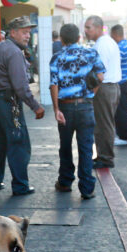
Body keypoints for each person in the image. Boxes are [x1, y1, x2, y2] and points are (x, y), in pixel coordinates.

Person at [0, 16, 46, 195]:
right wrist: (35, 106)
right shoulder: (14, 52)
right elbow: (20, 86)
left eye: (29, 32)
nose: (28, 36)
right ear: (13, 33)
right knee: (19, 143)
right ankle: (20, 186)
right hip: (9, 102)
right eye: (24, 32)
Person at [49, 23, 105, 200]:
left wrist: (57, 109)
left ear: (62, 40)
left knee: (65, 146)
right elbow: (101, 76)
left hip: (65, 106)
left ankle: (65, 182)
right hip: (85, 106)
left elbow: (54, 84)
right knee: (86, 147)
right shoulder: (90, 53)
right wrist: (90, 95)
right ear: (79, 37)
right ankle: (87, 188)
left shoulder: (57, 58)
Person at [84, 15, 121, 169]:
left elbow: (100, 74)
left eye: (88, 28)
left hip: (104, 88)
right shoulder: (104, 43)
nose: (86, 31)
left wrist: (92, 93)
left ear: (99, 28)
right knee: (102, 124)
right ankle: (103, 155)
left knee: (104, 124)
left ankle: (105, 158)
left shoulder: (102, 45)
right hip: (109, 87)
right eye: (85, 27)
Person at [110, 24, 127, 146]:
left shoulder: (119, 48)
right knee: (122, 109)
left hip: (122, 82)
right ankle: (123, 135)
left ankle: (124, 137)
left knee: (121, 111)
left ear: (115, 34)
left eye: (112, 36)